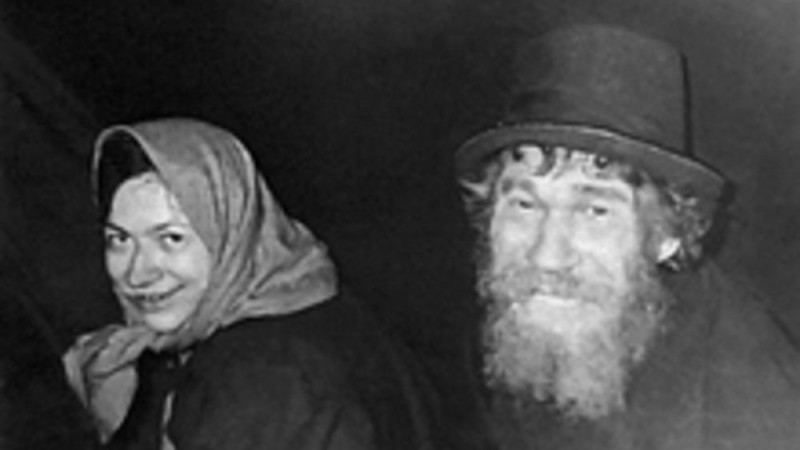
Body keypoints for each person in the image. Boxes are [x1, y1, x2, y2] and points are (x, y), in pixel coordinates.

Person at [453, 24, 800, 449]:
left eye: (594, 211)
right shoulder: (516, 338)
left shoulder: (754, 416)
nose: (547, 256)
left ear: (668, 233)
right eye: (524, 205)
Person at [62, 118, 442, 450]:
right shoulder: (315, 298)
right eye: (119, 239)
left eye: (171, 238)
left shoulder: (252, 376)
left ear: (232, 231)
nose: (137, 273)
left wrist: (121, 427)